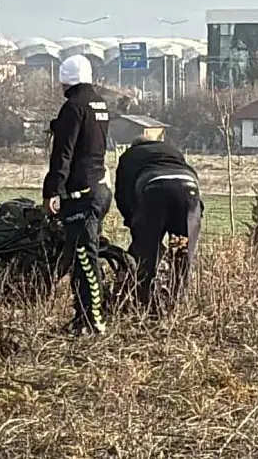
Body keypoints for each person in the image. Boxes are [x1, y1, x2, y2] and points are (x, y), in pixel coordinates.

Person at [42, 54, 112, 336]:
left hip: (80, 192)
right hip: (101, 187)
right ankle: (83, 317)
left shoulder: (73, 107)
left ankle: (93, 320)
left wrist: (53, 191)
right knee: (83, 256)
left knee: (85, 259)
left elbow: (64, 153)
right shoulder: (99, 104)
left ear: (64, 80)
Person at [114, 135, 202, 315]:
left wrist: (133, 222)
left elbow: (122, 193)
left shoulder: (129, 155)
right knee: (183, 255)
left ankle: (147, 306)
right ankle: (177, 307)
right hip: (189, 191)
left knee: (147, 255)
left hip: (154, 190)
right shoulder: (172, 151)